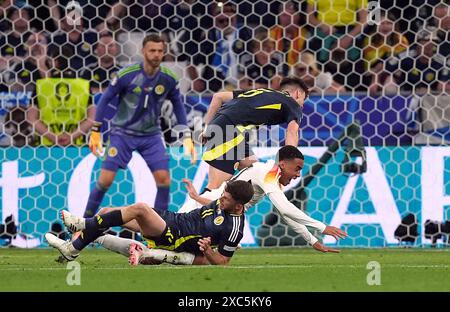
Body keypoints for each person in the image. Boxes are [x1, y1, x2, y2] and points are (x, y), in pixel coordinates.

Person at [92, 146, 346, 265]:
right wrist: (321, 228)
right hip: (204, 211)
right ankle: (96, 231)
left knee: (149, 234)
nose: (299, 174)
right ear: (283, 163)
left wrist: (310, 240)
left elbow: (285, 211)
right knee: (167, 247)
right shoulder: (268, 172)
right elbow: (286, 209)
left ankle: (96, 227)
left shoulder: (271, 177)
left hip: (211, 209)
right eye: (297, 168)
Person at [85, 33, 196, 217]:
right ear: (143, 51)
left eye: (160, 51)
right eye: (152, 50)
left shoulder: (168, 78)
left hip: (151, 136)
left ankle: (159, 230)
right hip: (122, 134)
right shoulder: (127, 75)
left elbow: (178, 106)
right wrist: (96, 130)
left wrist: (186, 136)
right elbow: (105, 99)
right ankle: (84, 224)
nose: (156, 55)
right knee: (105, 181)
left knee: (164, 180)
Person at [45, 180, 255, 265]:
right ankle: (71, 251)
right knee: (107, 212)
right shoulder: (224, 202)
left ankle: (83, 225)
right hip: (172, 219)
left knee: (140, 208)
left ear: (238, 206)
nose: (221, 199)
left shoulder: (234, 227)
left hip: (175, 236)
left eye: (226, 198)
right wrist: (196, 197)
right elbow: (214, 204)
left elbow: (223, 262)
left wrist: (208, 251)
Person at [201, 77, 308, 191]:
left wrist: (207, 128)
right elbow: (292, 132)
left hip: (227, 128)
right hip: (229, 130)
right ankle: (193, 208)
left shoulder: (260, 92)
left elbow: (218, 97)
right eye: (303, 101)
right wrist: (289, 160)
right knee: (215, 188)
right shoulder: (293, 104)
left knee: (253, 167)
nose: (302, 106)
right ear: (298, 94)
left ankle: (234, 200)